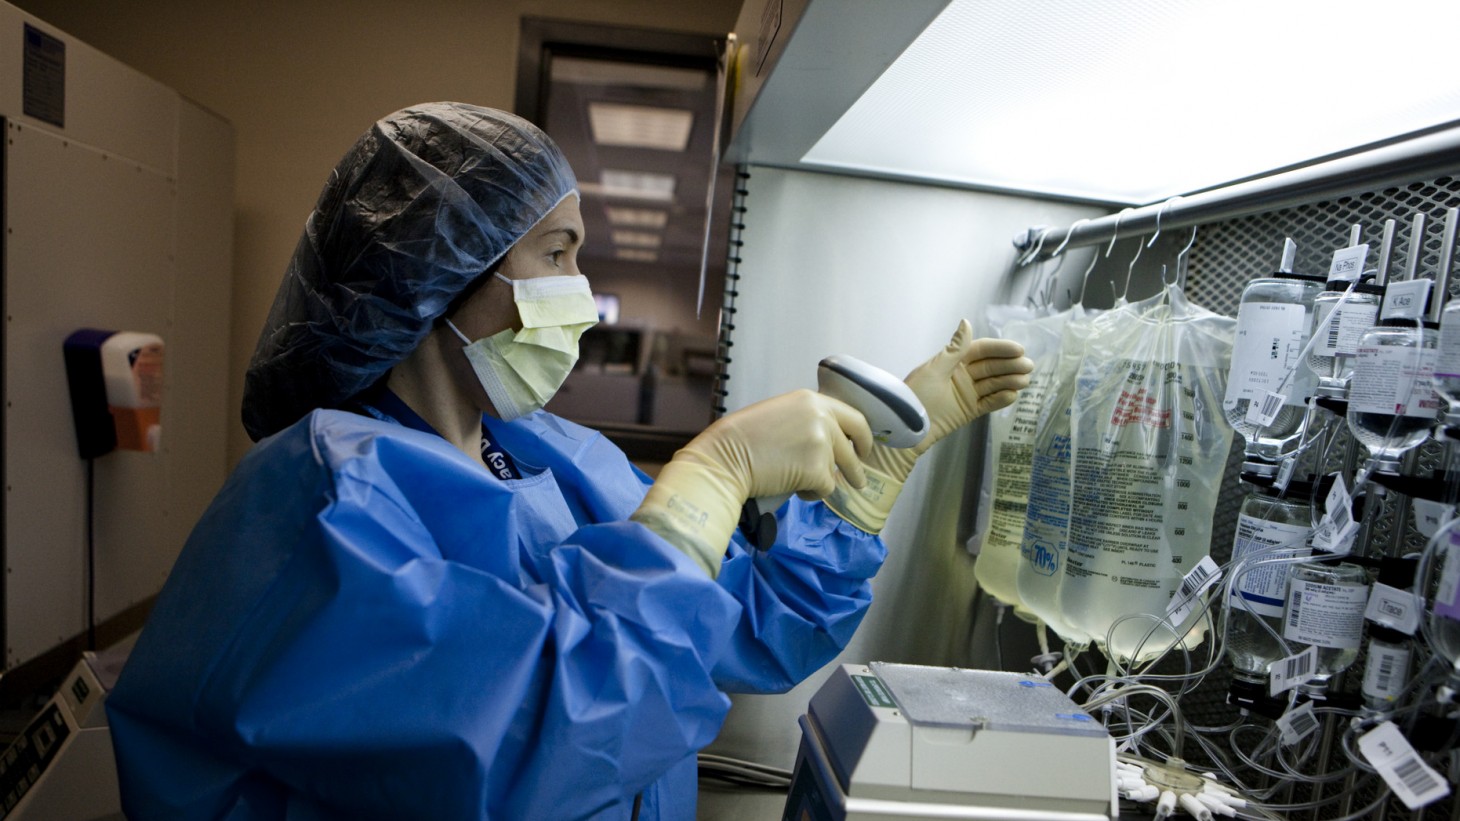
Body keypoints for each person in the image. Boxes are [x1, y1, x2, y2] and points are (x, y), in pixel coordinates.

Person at [105, 102, 1033, 820]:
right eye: (556, 254)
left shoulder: (541, 455)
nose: (581, 297)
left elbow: (735, 628)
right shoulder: (317, 504)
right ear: (440, 268)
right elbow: (533, 742)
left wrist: (867, 478)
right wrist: (713, 475)